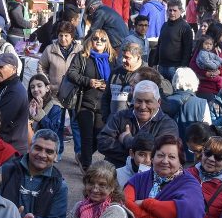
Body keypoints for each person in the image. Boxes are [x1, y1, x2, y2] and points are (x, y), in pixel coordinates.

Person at [98, 80, 179, 168]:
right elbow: (102, 143)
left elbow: (161, 153)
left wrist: (127, 140)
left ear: (159, 102)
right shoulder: (120, 116)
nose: (143, 107)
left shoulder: (168, 124)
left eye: (148, 102)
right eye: (139, 101)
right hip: (116, 173)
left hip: (150, 177)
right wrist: (136, 155)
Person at [123, 134, 205, 218]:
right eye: (160, 155)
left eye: (171, 157)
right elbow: (125, 203)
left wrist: (146, 203)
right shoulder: (139, 179)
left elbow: (188, 211)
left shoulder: (190, 184)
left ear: (180, 161)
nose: (165, 161)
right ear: (152, 158)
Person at [66, 29, 116, 171]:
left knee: (99, 137)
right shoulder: (83, 56)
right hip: (84, 102)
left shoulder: (111, 59)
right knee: (87, 137)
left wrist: (108, 85)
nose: (99, 41)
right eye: (96, 38)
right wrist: (89, 82)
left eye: (102, 39)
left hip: (103, 104)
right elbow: (71, 73)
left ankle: (82, 156)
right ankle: (87, 167)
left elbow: (115, 79)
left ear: (107, 43)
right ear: (91, 40)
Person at [0, 129, 68, 218]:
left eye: (49, 152)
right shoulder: (5, 171)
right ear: (29, 148)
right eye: (38, 148)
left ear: (56, 156)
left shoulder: (59, 185)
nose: (42, 155)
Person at [163, 67, 211, 162]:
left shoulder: (167, 102)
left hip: (171, 155)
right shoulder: (202, 103)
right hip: (194, 156)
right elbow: (207, 130)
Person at [102, 42, 145, 122]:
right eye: (123, 56)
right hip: (113, 123)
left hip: (134, 124)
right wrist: (106, 118)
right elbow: (106, 97)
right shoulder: (115, 73)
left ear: (138, 58)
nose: (123, 60)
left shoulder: (146, 73)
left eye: (127, 57)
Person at [38, 21, 82, 96]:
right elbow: (41, 67)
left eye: (66, 35)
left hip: (73, 94)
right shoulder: (50, 49)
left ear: (72, 37)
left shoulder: (80, 50)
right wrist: (47, 83)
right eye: (60, 35)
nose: (63, 39)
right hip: (54, 93)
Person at [156, 0, 194, 81]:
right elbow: (159, 45)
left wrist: (182, 68)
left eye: (174, 10)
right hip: (161, 66)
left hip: (175, 68)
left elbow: (187, 50)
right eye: (170, 10)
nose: (172, 13)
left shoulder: (185, 27)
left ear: (180, 11)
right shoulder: (164, 25)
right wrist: (155, 63)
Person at [28, 74, 63, 144]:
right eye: (32, 87)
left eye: (39, 86)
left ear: (47, 88)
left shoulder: (55, 106)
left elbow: (52, 131)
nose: (35, 89)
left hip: (46, 145)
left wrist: (40, 114)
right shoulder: (29, 104)